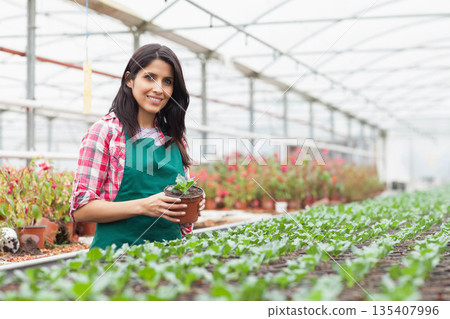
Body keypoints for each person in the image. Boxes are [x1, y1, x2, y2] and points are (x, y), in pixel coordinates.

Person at [69, 43, 205, 250]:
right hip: (114, 259)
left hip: (171, 261)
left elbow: (180, 217)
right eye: (149, 77)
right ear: (129, 80)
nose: (158, 88)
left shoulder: (176, 139)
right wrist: (143, 206)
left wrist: (191, 208)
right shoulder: (106, 132)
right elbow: (81, 208)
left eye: (167, 81)